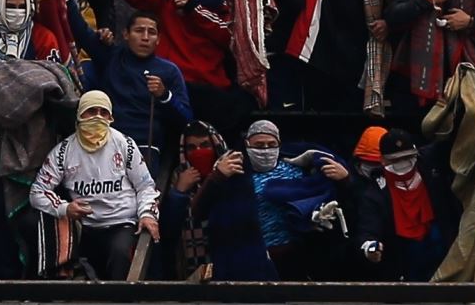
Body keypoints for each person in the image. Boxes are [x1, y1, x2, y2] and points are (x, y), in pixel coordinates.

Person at [196, 120, 352, 281]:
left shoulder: (296, 169)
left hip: (296, 260)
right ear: (247, 144)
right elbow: (199, 211)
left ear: (279, 144)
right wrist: (217, 177)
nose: (265, 150)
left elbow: (342, 199)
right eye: (258, 145)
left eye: (271, 144)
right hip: (248, 262)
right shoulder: (234, 173)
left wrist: (345, 180)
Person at [29, 90, 159, 281]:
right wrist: (65, 208)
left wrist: (147, 214)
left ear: (111, 117)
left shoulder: (125, 145)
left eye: (103, 112)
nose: (97, 117)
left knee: (120, 255)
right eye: (91, 111)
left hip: (121, 223)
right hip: (85, 227)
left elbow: (145, 186)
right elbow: (37, 192)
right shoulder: (63, 151)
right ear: (80, 115)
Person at [117, 0, 244, 131]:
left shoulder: (226, 8)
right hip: (168, 81)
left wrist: (194, 7)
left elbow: (229, 36)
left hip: (207, 89)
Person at [75, 3, 192, 159]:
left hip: (145, 148)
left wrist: (164, 95)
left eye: (151, 32)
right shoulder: (112, 56)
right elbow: (80, 31)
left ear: (158, 39)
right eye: (139, 31)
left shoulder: (169, 71)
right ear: (126, 34)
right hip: (106, 142)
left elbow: (186, 120)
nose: (145, 37)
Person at [350, 128, 454, 282]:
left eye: (407, 158)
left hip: (440, 243)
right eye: (395, 160)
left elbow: (453, 139)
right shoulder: (374, 193)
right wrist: (369, 247)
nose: (403, 164)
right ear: (383, 161)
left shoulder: (428, 164)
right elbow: (367, 229)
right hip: (403, 255)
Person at [161, 121, 226, 281]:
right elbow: (168, 231)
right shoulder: (178, 177)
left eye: (205, 145)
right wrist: (179, 193)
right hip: (189, 268)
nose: (199, 152)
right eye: (191, 148)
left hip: (226, 262)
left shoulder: (230, 173)